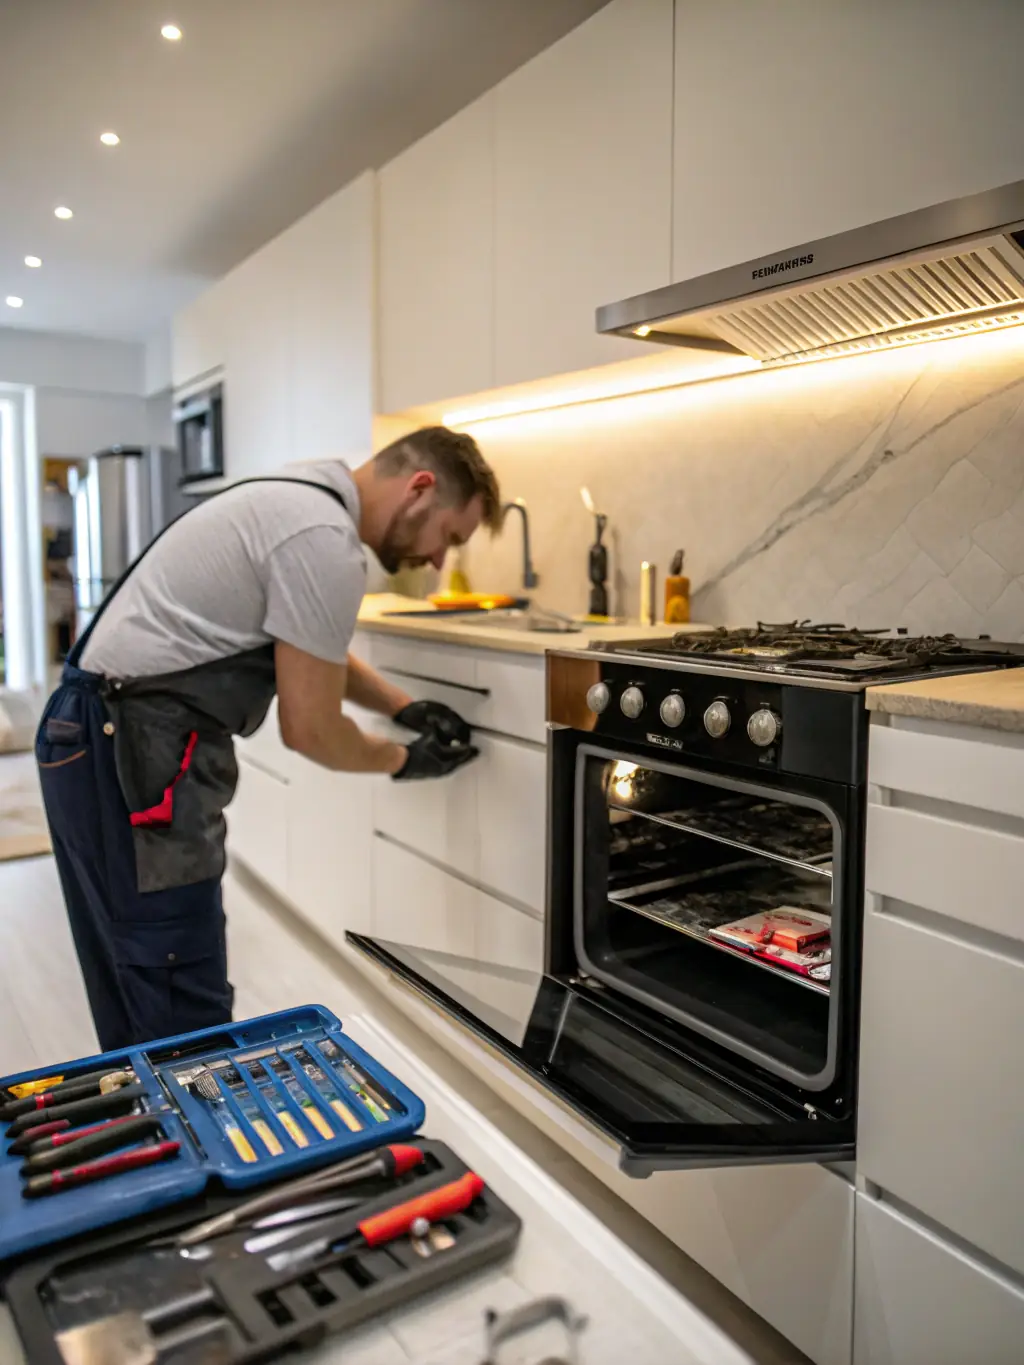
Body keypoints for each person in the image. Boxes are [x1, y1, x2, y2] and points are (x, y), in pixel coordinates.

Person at [36, 426, 501, 1051]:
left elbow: (311, 647)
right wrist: (403, 759)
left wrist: (405, 705)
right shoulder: (322, 538)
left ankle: (153, 1118)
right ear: (420, 489)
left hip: (98, 733)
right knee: (172, 973)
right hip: (132, 745)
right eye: (450, 536)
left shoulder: (302, 499)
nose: (442, 561)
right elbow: (311, 730)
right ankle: (192, 1136)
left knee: (134, 969)